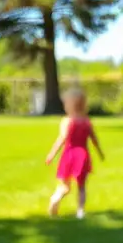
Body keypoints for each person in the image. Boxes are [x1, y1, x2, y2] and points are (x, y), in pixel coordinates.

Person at [44, 89, 105, 219]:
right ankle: (80, 211)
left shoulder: (67, 121)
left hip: (68, 154)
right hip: (82, 155)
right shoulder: (86, 122)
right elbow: (94, 139)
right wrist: (100, 153)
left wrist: (51, 154)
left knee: (65, 185)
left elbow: (62, 138)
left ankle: (56, 198)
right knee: (81, 186)